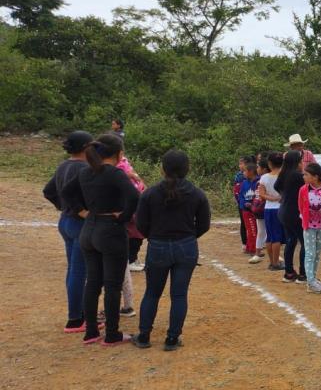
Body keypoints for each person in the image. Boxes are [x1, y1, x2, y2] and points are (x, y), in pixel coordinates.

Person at [61, 134, 139, 346]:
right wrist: (123, 217)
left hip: (89, 229)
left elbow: (66, 192)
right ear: (119, 154)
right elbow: (134, 196)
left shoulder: (86, 171)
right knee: (112, 285)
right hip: (110, 231)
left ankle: (91, 332)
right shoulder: (114, 173)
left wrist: (82, 211)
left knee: (93, 282)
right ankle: (112, 334)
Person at [132, 150, 211, 351]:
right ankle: (172, 339)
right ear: (187, 169)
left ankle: (144, 336)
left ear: (162, 169)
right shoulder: (197, 194)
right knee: (179, 295)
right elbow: (204, 224)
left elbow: (140, 223)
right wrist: (189, 236)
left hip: (158, 245)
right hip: (186, 246)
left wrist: (153, 236)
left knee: (152, 293)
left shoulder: (150, 194)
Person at [43, 131, 99, 333]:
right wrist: (81, 211)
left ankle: (80, 314)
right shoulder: (84, 168)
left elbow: (48, 191)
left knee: (74, 269)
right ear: (85, 148)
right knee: (79, 271)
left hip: (65, 222)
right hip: (79, 224)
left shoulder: (63, 166)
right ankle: (75, 319)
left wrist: (63, 206)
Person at [116, 152, 146, 318]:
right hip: (123, 219)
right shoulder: (117, 171)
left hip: (127, 216)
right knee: (118, 272)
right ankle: (131, 259)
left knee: (136, 236)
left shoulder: (122, 165)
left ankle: (131, 259)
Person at [298, 163, 321, 294]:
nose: (303, 176)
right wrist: (305, 217)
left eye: (306, 174)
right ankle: (310, 281)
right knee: (310, 253)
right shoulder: (303, 189)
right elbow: (300, 205)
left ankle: (312, 279)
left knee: (317, 253)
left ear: (315, 177)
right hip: (309, 226)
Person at [275, 150, 308, 283]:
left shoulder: (283, 174)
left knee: (291, 240)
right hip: (295, 213)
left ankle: (289, 273)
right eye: (301, 161)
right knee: (305, 242)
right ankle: (303, 274)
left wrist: (286, 195)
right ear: (297, 162)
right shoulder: (298, 176)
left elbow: (277, 187)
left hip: (284, 211)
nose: (302, 163)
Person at [258, 153, 285, 271]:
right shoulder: (284, 176)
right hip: (280, 208)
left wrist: (272, 199)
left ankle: (272, 262)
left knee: (270, 237)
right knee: (277, 237)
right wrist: (278, 198)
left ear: (269, 164)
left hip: (268, 208)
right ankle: (276, 263)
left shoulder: (264, 177)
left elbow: (262, 194)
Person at [233, 156, 254, 253]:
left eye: (241, 163)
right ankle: (245, 244)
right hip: (243, 204)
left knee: (252, 224)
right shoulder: (239, 176)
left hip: (251, 203)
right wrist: (240, 202)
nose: (240, 166)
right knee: (244, 223)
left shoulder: (252, 176)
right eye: (239, 164)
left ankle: (252, 244)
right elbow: (236, 191)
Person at [250, 158, 269, 264]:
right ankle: (258, 253)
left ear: (264, 169)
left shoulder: (261, 180)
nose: (256, 169)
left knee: (264, 231)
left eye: (258, 167)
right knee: (263, 231)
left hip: (264, 208)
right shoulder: (259, 181)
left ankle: (259, 253)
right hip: (262, 208)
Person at [238, 163, 260, 258]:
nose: (243, 173)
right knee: (252, 230)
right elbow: (241, 196)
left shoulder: (258, 182)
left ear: (251, 172)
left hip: (256, 210)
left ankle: (249, 248)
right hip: (247, 211)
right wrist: (244, 204)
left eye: (245, 171)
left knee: (255, 230)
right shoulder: (244, 183)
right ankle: (252, 249)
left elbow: (259, 196)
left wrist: (254, 204)